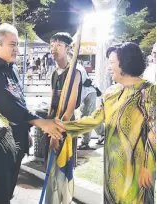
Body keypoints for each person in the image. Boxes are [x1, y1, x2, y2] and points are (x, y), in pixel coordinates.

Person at [0, 23, 65, 204]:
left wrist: (25, 132)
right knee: (1, 195)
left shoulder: (11, 68)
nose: (17, 49)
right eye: (12, 45)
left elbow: (20, 100)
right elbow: (8, 107)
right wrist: (40, 122)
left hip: (16, 141)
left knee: (8, 192)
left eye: (17, 44)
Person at [61, 42, 156, 203]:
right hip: (112, 167)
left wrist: (149, 166)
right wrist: (63, 127)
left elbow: (154, 132)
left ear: (125, 63)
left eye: (111, 63)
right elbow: (95, 120)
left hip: (137, 168)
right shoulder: (111, 92)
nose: (109, 67)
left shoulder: (149, 91)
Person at [44, 32, 82, 204]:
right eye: (52, 44)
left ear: (68, 48)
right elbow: (52, 103)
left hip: (64, 130)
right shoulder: (54, 74)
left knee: (62, 173)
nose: (54, 48)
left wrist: (56, 134)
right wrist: (47, 125)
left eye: (58, 45)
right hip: (52, 127)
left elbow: (69, 110)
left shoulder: (75, 73)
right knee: (50, 171)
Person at [76, 61, 105, 150]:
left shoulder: (76, 68)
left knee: (85, 117)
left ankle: (85, 142)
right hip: (90, 93)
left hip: (87, 93)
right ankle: (103, 134)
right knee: (91, 117)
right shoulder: (77, 67)